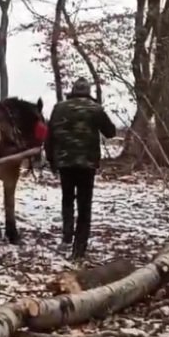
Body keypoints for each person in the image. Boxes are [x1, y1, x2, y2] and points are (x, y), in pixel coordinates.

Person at [44, 77, 117, 258]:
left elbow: (49, 136)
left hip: (65, 163)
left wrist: (52, 160)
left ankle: (67, 237)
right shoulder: (95, 109)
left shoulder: (59, 108)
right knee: (84, 205)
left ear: (73, 91)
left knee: (67, 199)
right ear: (88, 92)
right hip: (87, 164)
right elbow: (111, 132)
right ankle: (79, 248)